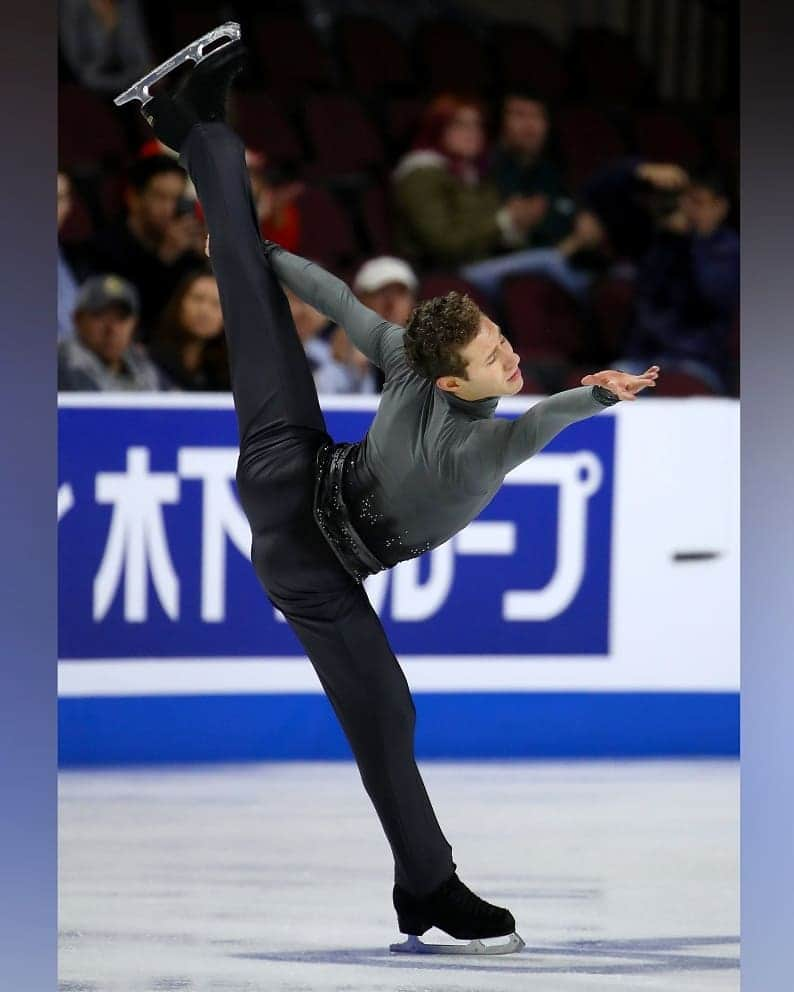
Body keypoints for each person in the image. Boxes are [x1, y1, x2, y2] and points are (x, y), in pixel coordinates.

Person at [135, 40, 658, 953]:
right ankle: (189, 129)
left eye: (502, 339)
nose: (511, 356)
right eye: (496, 353)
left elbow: (538, 412)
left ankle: (192, 132)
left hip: (294, 499)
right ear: (448, 383)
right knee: (253, 289)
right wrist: (256, 257)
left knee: (390, 715)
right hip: (301, 518)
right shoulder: (446, 401)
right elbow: (350, 307)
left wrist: (598, 391)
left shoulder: (458, 410)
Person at [392, 94, 543, 269]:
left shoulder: (475, 173)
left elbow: (491, 233)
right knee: (551, 262)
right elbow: (443, 244)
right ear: (438, 129)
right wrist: (505, 220)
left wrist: (518, 224)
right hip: (440, 272)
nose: (473, 133)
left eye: (477, 125)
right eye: (460, 125)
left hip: (483, 263)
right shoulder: (420, 174)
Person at [89, 154, 205, 337]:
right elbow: (124, 313)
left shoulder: (184, 248)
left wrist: (204, 260)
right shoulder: (104, 248)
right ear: (133, 198)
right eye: (160, 197)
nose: (169, 208)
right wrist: (164, 258)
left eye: (176, 199)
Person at [490, 91, 574, 248]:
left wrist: (538, 218)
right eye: (519, 115)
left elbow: (572, 218)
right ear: (502, 123)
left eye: (537, 116)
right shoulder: (484, 169)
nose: (529, 125)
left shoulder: (552, 169)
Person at [58, 274, 168, 390]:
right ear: (77, 319)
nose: (112, 329)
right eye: (100, 315)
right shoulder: (60, 366)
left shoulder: (143, 365)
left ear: (134, 324)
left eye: (121, 317)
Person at [148, 267, 230, 391]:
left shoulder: (229, 372)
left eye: (216, 304)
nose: (204, 311)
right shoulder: (150, 360)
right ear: (179, 303)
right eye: (197, 299)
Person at [59, 0, 153, 97]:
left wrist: (150, 72)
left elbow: (140, 44)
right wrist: (109, 29)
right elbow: (82, 70)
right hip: (95, 85)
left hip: (132, 78)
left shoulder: (127, 4)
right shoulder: (72, 7)